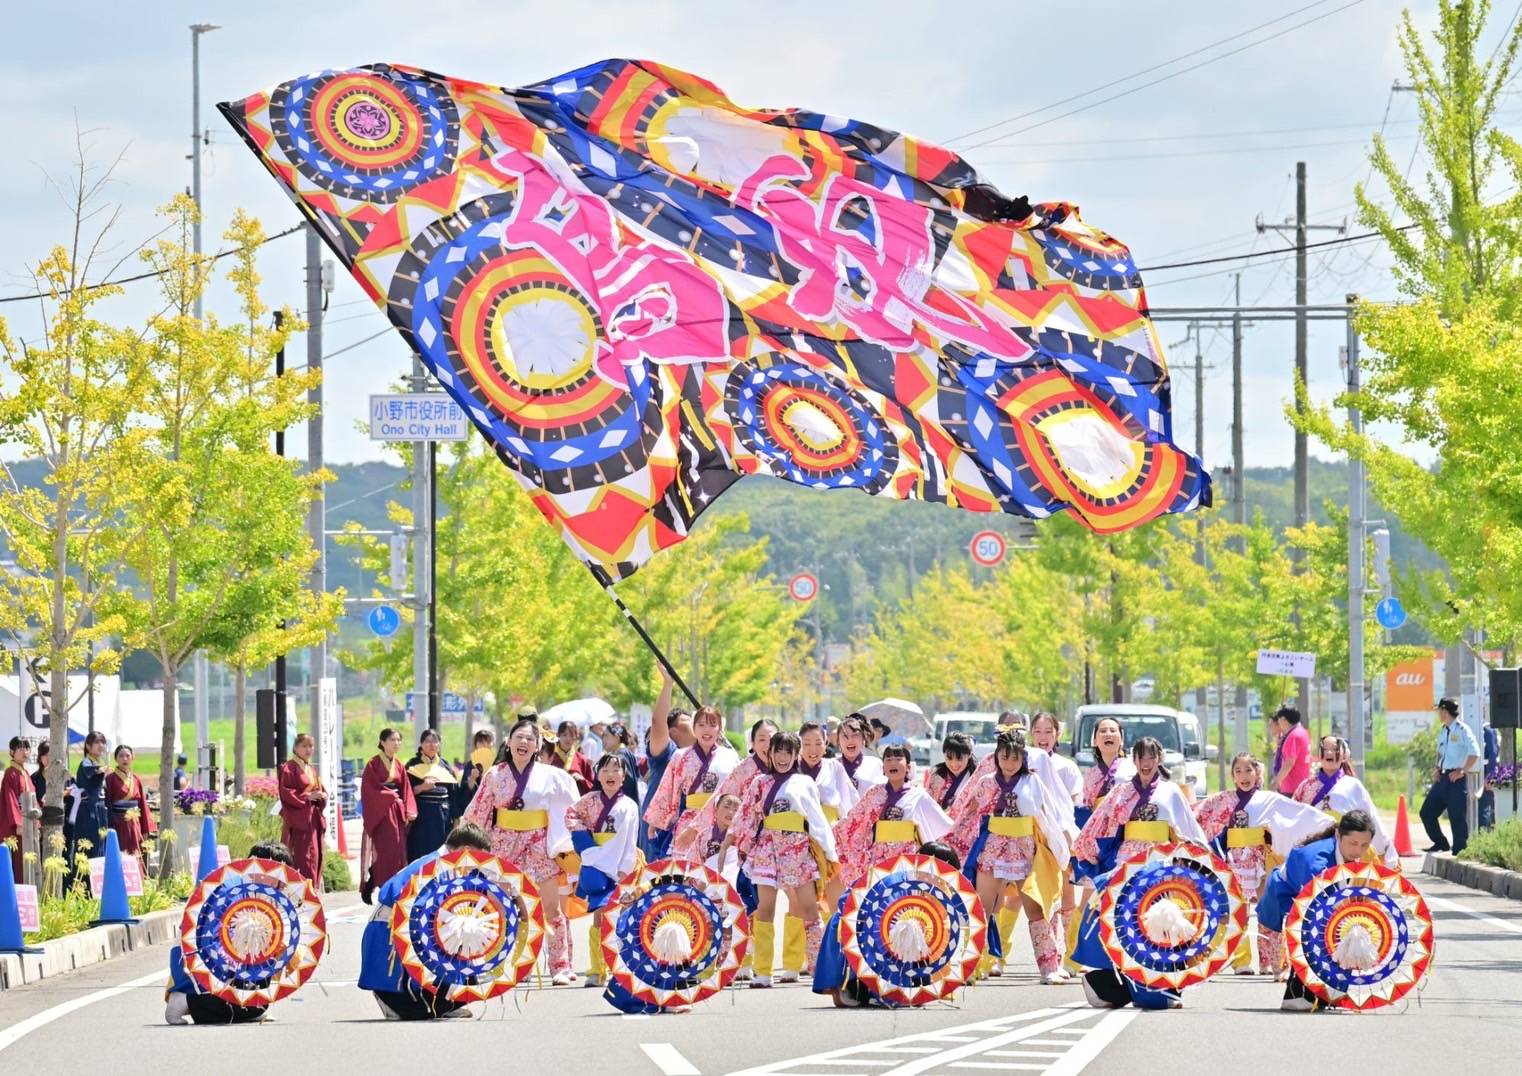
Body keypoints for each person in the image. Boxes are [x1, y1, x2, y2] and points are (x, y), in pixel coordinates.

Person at [1072, 737, 1209, 1010]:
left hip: (1160, 863)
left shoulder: (1171, 791)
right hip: (1128, 863)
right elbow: (1097, 823)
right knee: (1125, 923)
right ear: (1133, 760)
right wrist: (1086, 852)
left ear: (1159, 760)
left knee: (1162, 922)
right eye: (1140, 758)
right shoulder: (1121, 792)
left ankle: (1166, 984)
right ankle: (1116, 980)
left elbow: (1189, 829)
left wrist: (1201, 857)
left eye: (1151, 757)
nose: (1146, 763)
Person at [948, 729, 1072, 983]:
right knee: (983, 907)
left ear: (1023, 758)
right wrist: (955, 840)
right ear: (996, 756)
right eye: (1004, 757)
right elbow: (968, 814)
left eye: (1015, 758)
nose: (1009, 763)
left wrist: (1058, 845)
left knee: (1035, 908)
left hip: (1026, 849)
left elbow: (1048, 815)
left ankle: (1048, 966)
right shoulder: (986, 782)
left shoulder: (1033, 782)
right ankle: (973, 965)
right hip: (993, 848)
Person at [462, 717, 580, 984]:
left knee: (551, 908)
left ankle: (560, 965)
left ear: (538, 745)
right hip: (504, 844)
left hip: (538, 845)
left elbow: (574, 808)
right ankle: (506, 962)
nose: (524, 742)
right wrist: (466, 845)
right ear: (509, 742)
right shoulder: (495, 775)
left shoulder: (552, 775)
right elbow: (478, 812)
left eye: (530, 739)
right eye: (519, 737)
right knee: (503, 907)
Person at [1193, 752, 1329, 976]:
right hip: (1234, 862)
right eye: (1238, 771)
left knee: (1268, 908)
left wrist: (1328, 825)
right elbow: (1197, 814)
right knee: (1238, 910)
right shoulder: (1222, 800)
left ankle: (1271, 960)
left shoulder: (1269, 799)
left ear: (1257, 773)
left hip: (1262, 860)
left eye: (1249, 770)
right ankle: (1240, 960)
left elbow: (1298, 814)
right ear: (1232, 776)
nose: (1244, 775)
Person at [723, 731, 839, 988]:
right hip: (767, 848)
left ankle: (804, 965)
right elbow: (746, 817)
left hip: (796, 848)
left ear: (795, 755)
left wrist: (830, 853)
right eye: (778, 751)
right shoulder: (759, 783)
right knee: (766, 907)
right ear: (770, 754)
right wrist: (733, 841)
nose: (783, 757)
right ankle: (763, 971)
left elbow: (817, 819)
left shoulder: (804, 782)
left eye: (788, 752)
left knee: (808, 908)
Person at [358, 822, 492, 1020]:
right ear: (464, 850)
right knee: (415, 1013)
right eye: (477, 857)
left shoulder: (448, 866)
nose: (477, 864)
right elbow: (398, 898)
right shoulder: (431, 866)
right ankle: (391, 999)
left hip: (418, 932)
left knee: (465, 934)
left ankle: (446, 1002)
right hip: (390, 936)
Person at [813, 839, 964, 1008]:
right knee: (904, 929)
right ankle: (871, 988)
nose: (946, 881)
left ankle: (875, 987)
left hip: (882, 937)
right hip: (858, 928)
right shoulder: (897, 879)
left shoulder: (933, 891)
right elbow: (849, 903)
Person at [1257, 810, 1379, 1012]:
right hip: (1285, 896)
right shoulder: (1316, 860)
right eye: (1353, 843)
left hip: (1317, 897)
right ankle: (1297, 994)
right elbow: (1318, 904)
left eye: (1364, 845)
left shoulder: (1354, 854)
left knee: (1339, 927)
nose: (1358, 850)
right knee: (1315, 931)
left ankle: (1326, 993)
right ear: (1338, 835)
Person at [165, 841, 297, 1025]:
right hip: (199, 965)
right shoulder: (230, 889)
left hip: (231, 965)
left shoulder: (263, 895)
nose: (283, 885)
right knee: (224, 1008)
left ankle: (246, 1007)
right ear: (263, 869)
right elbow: (211, 942)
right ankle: (185, 1000)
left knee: (258, 1004)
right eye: (280, 876)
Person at [566, 753, 642, 988]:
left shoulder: (629, 805)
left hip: (619, 861)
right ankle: (598, 968)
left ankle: (619, 964)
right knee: (599, 914)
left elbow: (630, 840)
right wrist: (583, 841)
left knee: (619, 916)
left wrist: (624, 869)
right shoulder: (588, 800)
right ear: (597, 774)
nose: (610, 775)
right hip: (595, 860)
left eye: (616, 770)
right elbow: (570, 815)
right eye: (605, 770)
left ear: (624, 776)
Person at [835, 744, 953, 888]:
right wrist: (831, 833)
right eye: (888, 759)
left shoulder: (919, 795)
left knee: (903, 902)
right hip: (878, 857)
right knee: (879, 902)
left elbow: (944, 826)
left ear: (908, 767)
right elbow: (854, 820)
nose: (893, 763)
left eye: (898, 759)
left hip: (907, 858)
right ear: (883, 767)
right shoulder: (874, 792)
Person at [644, 704, 739, 861]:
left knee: (719, 876)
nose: (706, 730)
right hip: (690, 821)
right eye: (701, 725)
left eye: (712, 725)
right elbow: (668, 788)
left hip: (722, 822)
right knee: (685, 872)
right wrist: (654, 823)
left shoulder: (731, 757)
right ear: (694, 728)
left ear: (720, 729)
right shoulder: (680, 756)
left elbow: (737, 793)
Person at [1293, 736, 1399, 866]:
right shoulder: (1305, 786)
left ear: (1344, 756)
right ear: (1318, 754)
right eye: (1324, 749)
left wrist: (1385, 851)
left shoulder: (1353, 785)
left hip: (1348, 850)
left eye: (1335, 749)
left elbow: (1370, 818)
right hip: (1315, 850)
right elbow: (1296, 819)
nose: (1329, 753)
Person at [640, 665, 695, 860]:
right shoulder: (667, 753)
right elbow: (658, 721)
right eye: (688, 720)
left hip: (689, 834)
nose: (695, 722)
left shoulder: (708, 756)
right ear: (673, 732)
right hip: (659, 833)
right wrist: (668, 685)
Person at [360, 728, 417, 903]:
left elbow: (405, 788)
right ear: (383, 742)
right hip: (381, 813)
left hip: (397, 812)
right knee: (385, 851)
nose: (396, 743)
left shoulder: (399, 764)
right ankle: (378, 882)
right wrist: (390, 796)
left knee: (398, 851)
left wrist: (409, 809)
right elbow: (369, 789)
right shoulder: (373, 764)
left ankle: (391, 887)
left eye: (399, 740)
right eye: (392, 740)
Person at [1420, 697, 1481, 855]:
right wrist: (1437, 767)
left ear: (1445, 711)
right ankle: (1441, 842)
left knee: (1456, 816)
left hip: (1456, 779)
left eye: (1439, 711)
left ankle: (1460, 850)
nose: (1438, 714)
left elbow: (1475, 753)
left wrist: (1462, 771)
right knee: (1426, 812)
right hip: (1443, 778)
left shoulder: (1462, 730)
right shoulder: (1443, 729)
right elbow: (1440, 751)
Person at [278, 733, 328, 885]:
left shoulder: (310, 768)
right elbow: (286, 792)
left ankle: (312, 888)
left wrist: (322, 795)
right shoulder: (289, 768)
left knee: (315, 854)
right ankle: (301, 887)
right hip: (299, 819)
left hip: (312, 817)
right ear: (295, 748)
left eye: (310, 746)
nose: (308, 750)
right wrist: (307, 797)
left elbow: (318, 788)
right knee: (302, 856)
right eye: (304, 746)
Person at [405, 729, 459, 862]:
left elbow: (454, 795)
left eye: (435, 741)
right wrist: (422, 787)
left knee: (440, 855)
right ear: (421, 744)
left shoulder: (446, 766)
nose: (431, 745)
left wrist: (456, 820)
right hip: (421, 818)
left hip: (442, 818)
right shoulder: (412, 765)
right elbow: (406, 792)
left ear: (439, 745)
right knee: (419, 855)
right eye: (427, 741)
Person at [104, 745, 154, 861]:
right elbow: (107, 803)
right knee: (120, 854)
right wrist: (111, 823)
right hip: (118, 824)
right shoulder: (110, 779)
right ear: (116, 759)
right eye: (121, 756)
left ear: (132, 757)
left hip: (135, 823)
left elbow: (142, 804)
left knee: (136, 854)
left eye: (127, 756)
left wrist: (145, 828)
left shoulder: (136, 779)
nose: (125, 759)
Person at [68, 731, 109, 869]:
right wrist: (100, 770)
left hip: (99, 810)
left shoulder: (97, 762)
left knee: (100, 846)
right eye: (96, 742)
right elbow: (92, 772)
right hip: (89, 812)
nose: (100, 745)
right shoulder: (86, 762)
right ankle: (84, 884)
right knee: (89, 847)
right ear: (88, 746)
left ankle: (97, 883)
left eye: (102, 742)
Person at [2, 737, 41, 882]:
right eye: (20, 748)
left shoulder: (24, 773)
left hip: (28, 824)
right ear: (12, 752)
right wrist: (18, 824)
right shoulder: (10, 773)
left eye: (27, 748)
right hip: (17, 828)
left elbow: (33, 799)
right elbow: (10, 799)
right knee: (17, 863)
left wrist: (37, 822)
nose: (24, 752)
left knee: (27, 861)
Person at [925, 732, 975, 812]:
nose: (954, 764)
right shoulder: (936, 775)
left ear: (969, 755)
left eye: (959, 759)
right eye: (949, 758)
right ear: (944, 754)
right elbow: (929, 804)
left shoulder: (976, 775)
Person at [1269, 705, 1312, 796]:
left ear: (1284, 720)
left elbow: (1289, 762)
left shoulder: (1293, 736)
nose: (1279, 722)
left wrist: (1276, 781)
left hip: (1291, 787)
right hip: (1301, 784)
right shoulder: (1302, 732)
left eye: (1279, 719)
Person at [836, 715, 884, 793]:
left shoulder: (876, 763)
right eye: (845, 736)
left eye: (855, 735)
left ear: (863, 738)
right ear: (838, 740)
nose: (850, 740)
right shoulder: (830, 765)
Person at [549, 720, 596, 795]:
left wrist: (582, 780)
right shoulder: (550, 756)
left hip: (576, 800)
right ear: (558, 735)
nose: (568, 739)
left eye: (571, 736)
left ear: (576, 737)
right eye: (564, 735)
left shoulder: (583, 759)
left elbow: (592, 787)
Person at [599, 722, 641, 805]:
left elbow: (627, 783)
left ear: (617, 737)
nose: (603, 739)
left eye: (606, 735)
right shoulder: (625, 753)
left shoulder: (620, 755)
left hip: (622, 806)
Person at [461, 728, 496, 801]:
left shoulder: (497, 765)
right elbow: (464, 793)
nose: (485, 745)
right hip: (476, 805)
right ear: (475, 745)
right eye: (481, 742)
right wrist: (472, 778)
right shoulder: (470, 765)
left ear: (492, 744)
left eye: (488, 742)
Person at [1480, 717, 1501, 831]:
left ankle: (1484, 838)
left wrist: (1489, 776)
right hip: (1475, 774)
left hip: (1486, 773)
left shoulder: (1488, 730)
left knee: (1484, 808)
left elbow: (1492, 754)